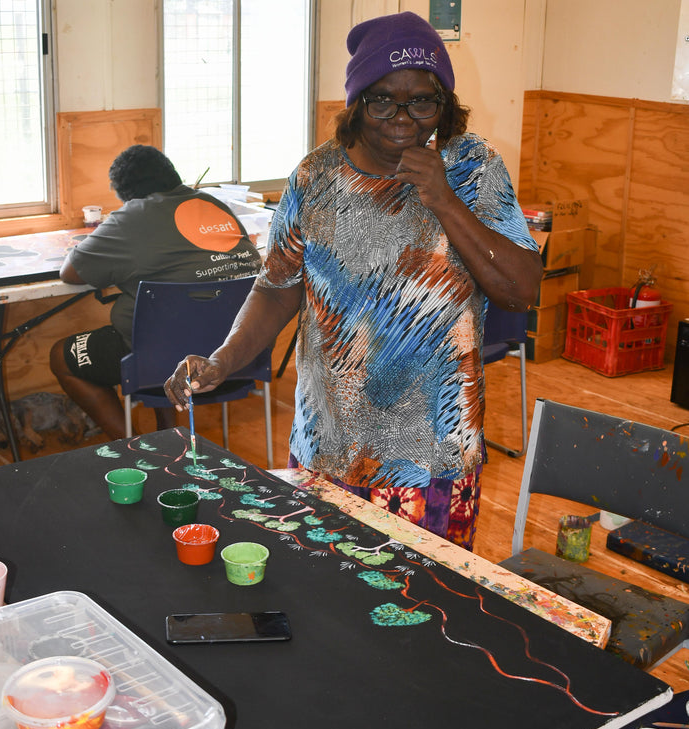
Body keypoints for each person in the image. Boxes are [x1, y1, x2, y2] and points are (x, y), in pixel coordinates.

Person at [164, 12, 542, 551]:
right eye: (383, 99)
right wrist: (223, 360)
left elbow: (521, 290)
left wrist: (443, 199)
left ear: (444, 104)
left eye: (422, 100)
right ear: (357, 102)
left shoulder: (472, 168)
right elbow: (277, 288)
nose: (404, 118)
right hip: (329, 445)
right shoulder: (315, 178)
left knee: (426, 607)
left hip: (435, 453)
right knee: (326, 600)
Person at [50, 144, 262, 440]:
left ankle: (134, 447)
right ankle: (167, 433)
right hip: (236, 356)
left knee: (61, 356)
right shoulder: (212, 205)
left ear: (127, 196)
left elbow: (70, 273)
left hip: (162, 361)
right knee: (170, 323)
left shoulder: (133, 215)